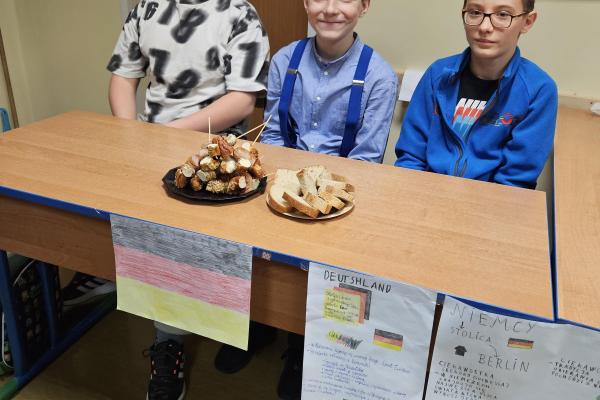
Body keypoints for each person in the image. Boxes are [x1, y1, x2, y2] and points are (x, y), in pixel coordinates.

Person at [214, 1, 398, 399]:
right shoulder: (285, 60)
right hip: (282, 180)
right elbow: (273, 134)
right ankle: (259, 323)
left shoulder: (378, 76)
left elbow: (366, 160)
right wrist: (283, 189)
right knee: (249, 240)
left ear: (365, 5)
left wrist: (314, 199)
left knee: (318, 266)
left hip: (336, 197)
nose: (330, 9)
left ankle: (302, 346)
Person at [102, 1, 268, 399]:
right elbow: (123, 76)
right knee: (155, 243)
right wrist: (130, 135)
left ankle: (224, 329)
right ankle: (167, 343)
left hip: (218, 156)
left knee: (198, 248)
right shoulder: (146, 7)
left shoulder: (239, 13)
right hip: (151, 146)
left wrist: (167, 136)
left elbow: (243, 100)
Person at [395, 0, 557, 190]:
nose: (484, 27)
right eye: (475, 12)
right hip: (425, 193)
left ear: (527, 21)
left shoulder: (539, 90)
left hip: (493, 201)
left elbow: (514, 182)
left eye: (503, 15)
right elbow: (411, 157)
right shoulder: (437, 75)